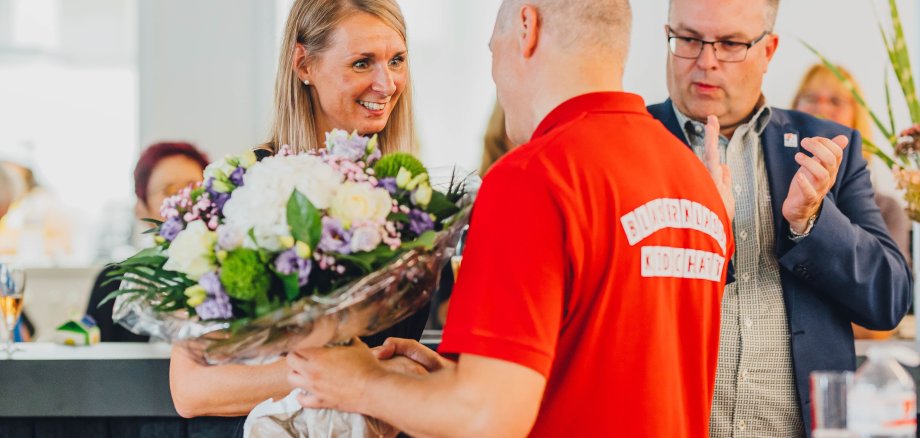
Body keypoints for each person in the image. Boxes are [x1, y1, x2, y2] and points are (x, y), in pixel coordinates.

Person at [287, 0, 734, 436]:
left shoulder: (533, 176)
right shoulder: (694, 180)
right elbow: (611, 372)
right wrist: (451, 381)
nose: (495, 76)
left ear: (526, 28)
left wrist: (362, 381)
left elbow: (486, 419)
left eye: (492, 50)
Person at [647, 0, 913, 435]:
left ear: (768, 51)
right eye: (688, 39)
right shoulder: (632, 140)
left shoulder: (828, 146)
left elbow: (887, 300)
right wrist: (705, 229)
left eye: (731, 43)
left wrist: (811, 222)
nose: (705, 61)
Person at [168, 0, 428, 421]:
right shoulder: (242, 188)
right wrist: (360, 374)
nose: (387, 83)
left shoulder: (410, 201)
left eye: (396, 60)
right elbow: (193, 390)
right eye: (362, 63)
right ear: (304, 64)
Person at [792, 63, 911, 340]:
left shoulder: (887, 210)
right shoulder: (775, 197)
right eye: (810, 98)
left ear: (857, 119)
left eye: (835, 100)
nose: (820, 108)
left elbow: (886, 313)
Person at [86, 142, 210, 343]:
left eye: (193, 187)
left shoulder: (227, 275)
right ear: (141, 208)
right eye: (169, 190)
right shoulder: (114, 282)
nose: (183, 200)